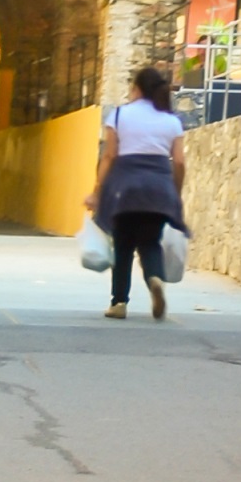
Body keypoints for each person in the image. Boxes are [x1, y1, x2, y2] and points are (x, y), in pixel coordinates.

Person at [89, 65, 186, 320]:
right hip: (159, 188)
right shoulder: (171, 121)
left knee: (123, 245)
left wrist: (98, 191)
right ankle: (155, 278)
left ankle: (119, 302)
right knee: (150, 242)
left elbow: (109, 156)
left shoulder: (120, 115)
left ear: (137, 89)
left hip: (126, 187)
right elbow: (179, 162)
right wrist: (175, 192)